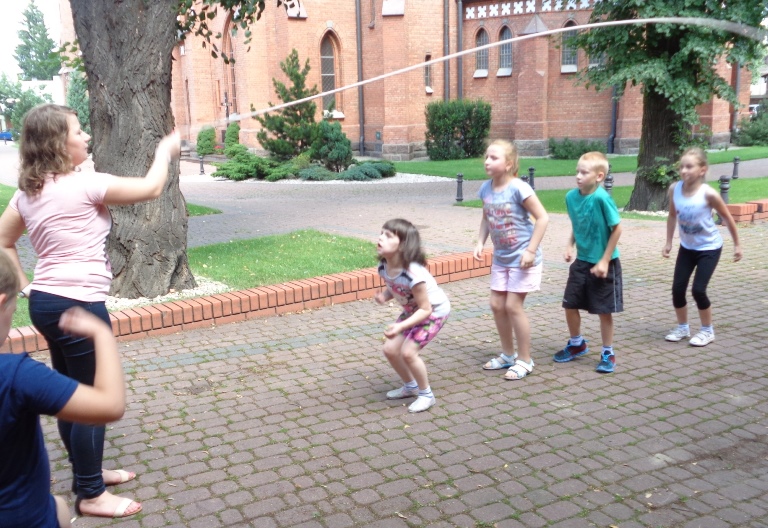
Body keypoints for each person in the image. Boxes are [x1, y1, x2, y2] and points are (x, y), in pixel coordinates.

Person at [0, 103, 180, 518]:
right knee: (91, 400)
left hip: (46, 303)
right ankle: (91, 494)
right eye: (78, 131)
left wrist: (26, 286)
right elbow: (152, 188)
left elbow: (3, 240)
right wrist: (164, 152)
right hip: (78, 303)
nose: (86, 137)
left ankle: (89, 475)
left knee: (71, 392)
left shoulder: (29, 192)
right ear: (58, 143)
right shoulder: (85, 185)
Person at [0, 249, 128, 527]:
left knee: (58, 506)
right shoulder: (16, 375)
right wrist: (102, 334)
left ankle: (89, 477)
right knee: (57, 508)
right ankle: (91, 490)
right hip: (23, 519)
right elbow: (110, 405)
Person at [473, 139, 549, 380]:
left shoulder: (519, 188)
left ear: (508, 164)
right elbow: (486, 217)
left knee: (513, 306)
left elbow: (543, 218)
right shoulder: (485, 189)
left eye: (493, 158)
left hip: (523, 258)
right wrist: (480, 242)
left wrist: (530, 250)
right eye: (486, 157)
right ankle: (508, 355)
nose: (487, 161)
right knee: (497, 305)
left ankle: (525, 360)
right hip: (502, 258)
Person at [662, 147, 742, 346]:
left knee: (698, 290)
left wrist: (737, 245)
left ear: (702, 170)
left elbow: (727, 218)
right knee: (677, 289)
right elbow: (672, 215)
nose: (684, 170)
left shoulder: (709, 193)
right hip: (687, 248)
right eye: (682, 167)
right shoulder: (674, 189)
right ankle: (683, 327)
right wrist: (669, 242)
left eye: (689, 167)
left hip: (709, 248)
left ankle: (707, 330)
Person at [555, 151, 623, 373]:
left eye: (584, 173)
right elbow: (578, 224)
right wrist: (569, 244)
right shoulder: (570, 197)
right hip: (582, 261)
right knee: (570, 304)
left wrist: (604, 260)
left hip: (605, 263)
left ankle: (607, 352)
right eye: (577, 171)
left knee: (603, 310)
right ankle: (577, 344)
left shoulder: (602, 198)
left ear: (599, 176)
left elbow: (617, 229)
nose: (578, 176)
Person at [374, 218, 451, 413]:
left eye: (388, 236)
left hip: (434, 312)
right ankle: (410, 386)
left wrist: (400, 326)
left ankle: (426, 395)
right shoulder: (384, 267)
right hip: (413, 311)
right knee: (390, 349)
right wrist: (385, 296)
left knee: (408, 352)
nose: (381, 238)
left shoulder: (414, 274)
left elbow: (426, 309)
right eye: (381, 233)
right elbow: (396, 286)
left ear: (402, 246)